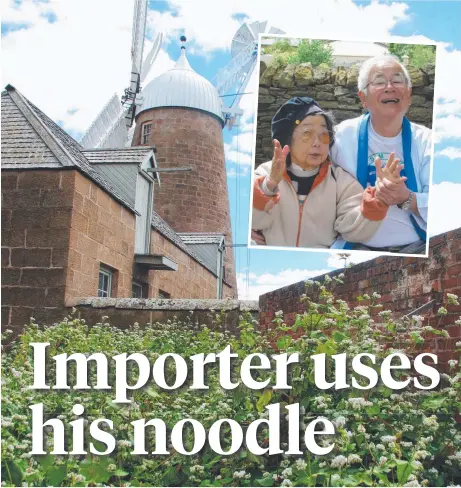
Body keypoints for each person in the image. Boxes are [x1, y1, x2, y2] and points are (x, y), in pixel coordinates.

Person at [251, 96, 404, 248]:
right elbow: (252, 220)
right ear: (287, 140)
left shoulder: (340, 182)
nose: (317, 143)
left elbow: (354, 231)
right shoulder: (264, 174)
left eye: (323, 135)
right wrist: (270, 185)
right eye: (307, 134)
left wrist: (380, 199)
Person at [330, 54, 431, 253]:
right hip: (354, 246)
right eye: (379, 81)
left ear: (408, 95)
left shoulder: (428, 141)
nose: (389, 87)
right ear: (363, 98)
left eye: (397, 80)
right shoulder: (340, 137)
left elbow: (447, 205)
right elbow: (308, 177)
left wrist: (406, 197)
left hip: (417, 246)